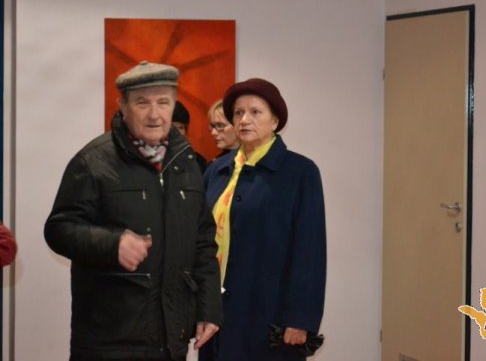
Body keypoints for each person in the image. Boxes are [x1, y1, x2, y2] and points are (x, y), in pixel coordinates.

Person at [44, 61, 223, 361]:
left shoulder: (186, 162)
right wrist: (112, 244)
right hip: (109, 342)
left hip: (171, 342)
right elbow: (59, 229)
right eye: (142, 103)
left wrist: (208, 308)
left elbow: (203, 242)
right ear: (123, 107)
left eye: (163, 102)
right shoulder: (93, 161)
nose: (154, 114)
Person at [202, 78, 327, 360]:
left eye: (255, 112)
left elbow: (309, 250)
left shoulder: (300, 172)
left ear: (275, 121)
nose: (244, 119)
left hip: (269, 314)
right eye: (238, 113)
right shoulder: (216, 170)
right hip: (216, 312)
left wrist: (300, 318)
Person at [172, 100, 208, 173]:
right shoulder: (152, 160)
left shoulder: (197, 161)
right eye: (172, 127)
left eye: (181, 127)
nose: (177, 132)